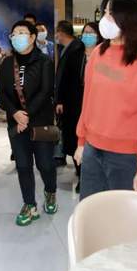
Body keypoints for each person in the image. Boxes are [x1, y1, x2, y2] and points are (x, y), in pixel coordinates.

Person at [75, 0, 137, 199]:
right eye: (104, 13)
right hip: (92, 149)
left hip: (126, 156)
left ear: (130, 18)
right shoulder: (99, 53)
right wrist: (81, 141)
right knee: (91, 209)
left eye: (111, 13)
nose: (105, 19)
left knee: (121, 215)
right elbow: (88, 100)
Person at [0, 20, 58, 226]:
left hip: (40, 122)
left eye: (22, 33)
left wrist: (26, 114)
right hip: (16, 124)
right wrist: (15, 113)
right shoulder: (7, 63)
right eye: (14, 34)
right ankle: (29, 204)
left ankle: (50, 192)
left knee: (45, 164)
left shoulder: (44, 62)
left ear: (32, 37)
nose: (17, 37)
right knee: (23, 166)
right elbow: (2, 93)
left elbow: (46, 91)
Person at [54, 20, 84, 170]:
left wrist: (60, 100)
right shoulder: (66, 48)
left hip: (73, 101)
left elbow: (70, 78)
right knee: (70, 135)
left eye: (57, 32)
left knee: (74, 135)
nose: (56, 36)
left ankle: (80, 171)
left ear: (61, 33)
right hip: (67, 100)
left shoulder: (76, 49)